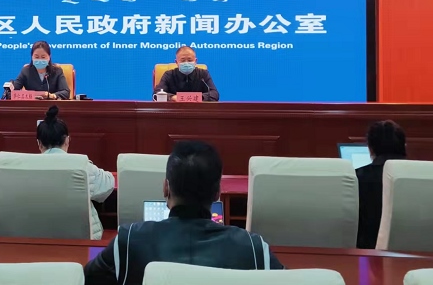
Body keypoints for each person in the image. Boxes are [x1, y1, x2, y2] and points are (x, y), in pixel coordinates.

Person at [84, 141, 282, 285]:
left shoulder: (129, 241)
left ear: (165, 188)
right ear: (217, 193)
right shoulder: (253, 248)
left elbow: (82, 280)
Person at [37, 105, 114, 239]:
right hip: (83, 242)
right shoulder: (82, 165)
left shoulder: (23, 168)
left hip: (36, 239)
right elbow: (107, 186)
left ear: (39, 143)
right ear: (67, 140)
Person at [356, 119, 407, 249]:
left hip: (366, 253)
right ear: (404, 146)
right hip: (414, 253)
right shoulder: (420, 176)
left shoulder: (356, 178)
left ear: (370, 149)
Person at [153, 46, 219, 101]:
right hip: (174, 110)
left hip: (198, 110)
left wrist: (198, 98)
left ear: (195, 61)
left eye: (190, 60)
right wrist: (172, 97)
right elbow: (156, 94)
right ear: (176, 62)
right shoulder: (169, 75)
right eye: (183, 60)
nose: (186, 63)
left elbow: (214, 94)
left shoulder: (203, 74)